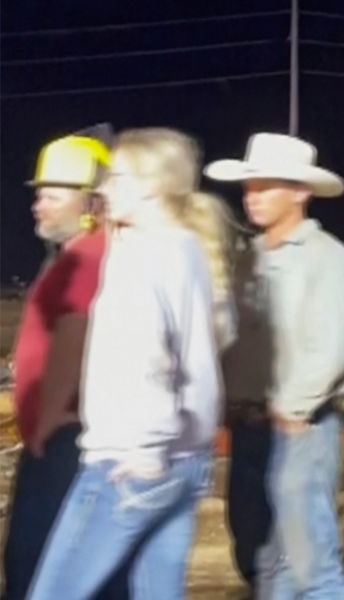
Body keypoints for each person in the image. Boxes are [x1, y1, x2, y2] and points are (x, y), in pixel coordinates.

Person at [26, 128, 234, 599]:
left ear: (150, 186)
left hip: (130, 462)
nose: (104, 190)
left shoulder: (138, 255)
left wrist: (144, 450)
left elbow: (150, 356)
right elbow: (213, 340)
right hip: (188, 461)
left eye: (115, 178)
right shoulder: (189, 248)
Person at [206, 132, 344, 598]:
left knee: (309, 563)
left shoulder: (327, 259)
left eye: (266, 186)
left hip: (301, 430)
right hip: (250, 428)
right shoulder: (247, 261)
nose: (252, 197)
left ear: (301, 191)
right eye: (250, 186)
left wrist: (294, 408)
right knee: (257, 553)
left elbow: (331, 344)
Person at [2, 132, 128, 600]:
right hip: (58, 438)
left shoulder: (88, 256)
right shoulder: (72, 254)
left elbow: (75, 339)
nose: (39, 204)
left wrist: (48, 417)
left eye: (53, 195)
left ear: (91, 200)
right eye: (38, 193)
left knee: (38, 569)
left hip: (63, 444)